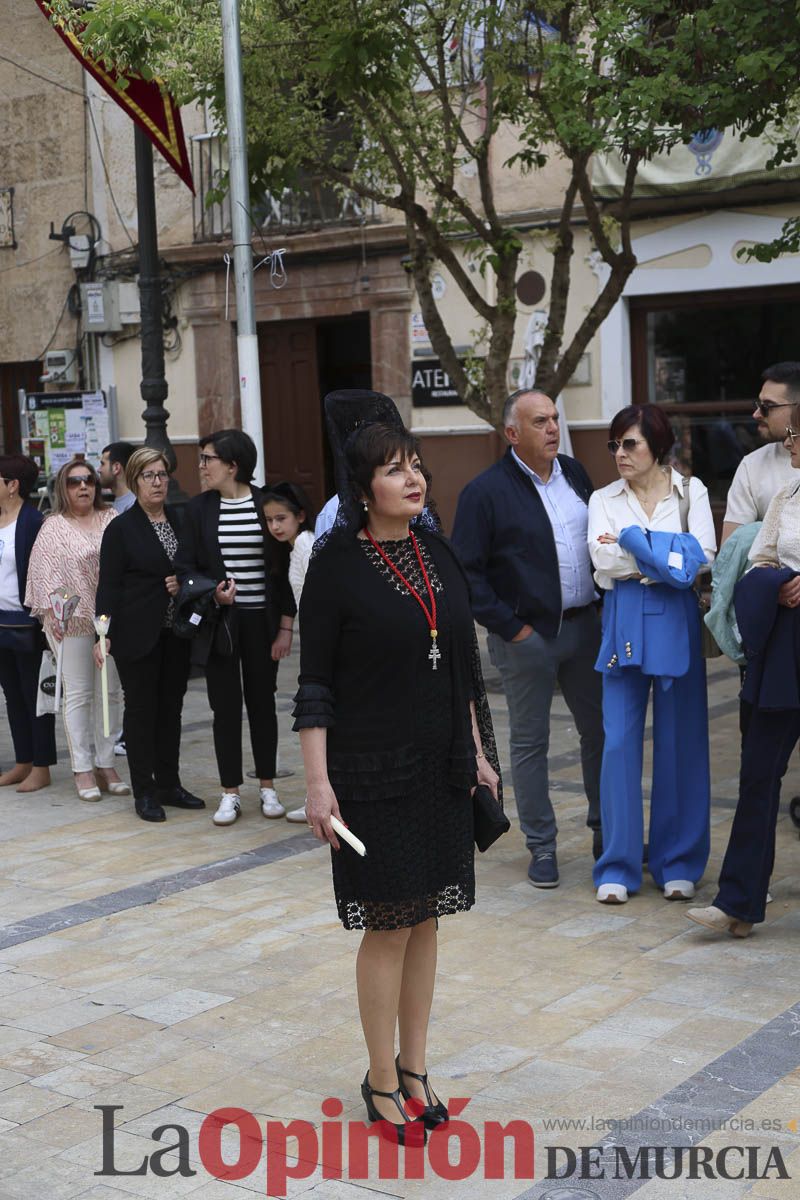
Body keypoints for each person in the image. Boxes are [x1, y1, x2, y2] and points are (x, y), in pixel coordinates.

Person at [295, 390, 500, 1143]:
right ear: (362, 487)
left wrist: (476, 751)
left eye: (415, 465)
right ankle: (380, 1078)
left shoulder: (435, 551)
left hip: (439, 765)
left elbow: (461, 670)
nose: (413, 479)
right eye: (392, 469)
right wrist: (318, 787)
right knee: (387, 924)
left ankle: (416, 1067)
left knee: (427, 921)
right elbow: (314, 685)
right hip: (369, 773)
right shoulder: (336, 566)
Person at [452, 388, 604, 888]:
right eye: (540, 422)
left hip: (585, 629)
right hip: (526, 638)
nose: (553, 429)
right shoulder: (485, 492)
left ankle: (608, 832)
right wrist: (514, 629)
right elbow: (467, 574)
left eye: (555, 419)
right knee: (530, 743)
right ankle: (542, 846)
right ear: (512, 433)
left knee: (601, 733)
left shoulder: (576, 476)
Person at [588, 404, 716, 905]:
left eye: (630, 444)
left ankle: (678, 861)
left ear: (657, 447)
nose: (620, 453)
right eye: (614, 445)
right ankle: (617, 865)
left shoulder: (693, 491)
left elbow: (701, 557)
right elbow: (602, 560)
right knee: (618, 744)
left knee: (681, 741)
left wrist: (631, 541)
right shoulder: (603, 497)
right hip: (622, 617)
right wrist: (663, 556)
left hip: (676, 620)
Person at [688, 419, 800, 937]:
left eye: (795, 436)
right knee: (758, 773)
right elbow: (756, 563)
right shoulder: (784, 497)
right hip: (783, 647)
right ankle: (738, 901)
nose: (788, 445)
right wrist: (775, 584)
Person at [175, 430, 296, 826]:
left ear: (233, 465)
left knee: (263, 703)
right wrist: (214, 595)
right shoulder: (198, 510)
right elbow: (186, 566)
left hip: (261, 621)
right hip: (221, 622)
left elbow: (283, 572)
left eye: (208, 459)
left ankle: (267, 787)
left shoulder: (266, 504)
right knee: (223, 707)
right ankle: (230, 793)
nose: (202, 467)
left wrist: (285, 628)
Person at [95, 448, 203, 823]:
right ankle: (144, 791)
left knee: (171, 710)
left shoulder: (180, 518)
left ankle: (169, 784)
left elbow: (193, 567)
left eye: (162, 475)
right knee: (141, 713)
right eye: (149, 476)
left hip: (176, 632)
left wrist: (183, 582)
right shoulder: (121, 528)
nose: (158, 482)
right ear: (135, 480)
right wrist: (102, 631)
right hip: (135, 634)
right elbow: (107, 586)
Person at [25, 459, 128, 802]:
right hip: (70, 621)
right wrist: (62, 611)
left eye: (88, 480)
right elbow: (46, 574)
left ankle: (106, 762)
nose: (83, 487)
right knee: (80, 694)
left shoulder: (112, 518)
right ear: (62, 488)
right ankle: (82, 767)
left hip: (110, 621)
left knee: (110, 693)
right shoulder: (53, 526)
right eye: (74, 482)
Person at [0, 454, 56, 792]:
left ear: (12, 485)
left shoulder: (34, 522)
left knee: (36, 695)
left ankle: (42, 765)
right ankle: (23, 761)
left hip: (28, 623)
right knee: (11, 695)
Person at [262, 481, 316, 826]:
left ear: (300, 516)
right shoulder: (295, 548)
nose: (275, 527)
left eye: (281, 518)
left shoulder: (307, 547)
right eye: (269, 520)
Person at [721, 362, 799, 545]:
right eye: (758, 404)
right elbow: (731, 552)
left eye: (767, 406)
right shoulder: (753, 465)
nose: (756, 414)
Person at [98, 442, 136, 514]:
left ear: (116, 468)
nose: (99, 470)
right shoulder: (122, 501)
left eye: (102, 464)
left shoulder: (133, 506)